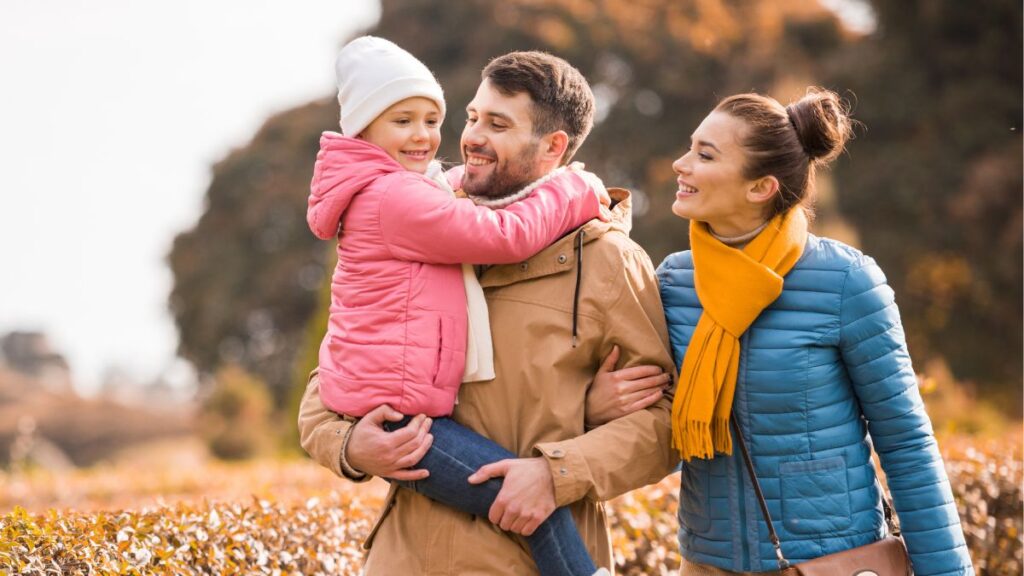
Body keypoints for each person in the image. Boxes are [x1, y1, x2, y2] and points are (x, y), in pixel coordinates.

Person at [299, 49, 678, 575]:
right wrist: (350, 446)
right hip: (407, 561)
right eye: (472, 117)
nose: (470, 136)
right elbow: (336, 378)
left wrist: (559, 471)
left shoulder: (610, 261)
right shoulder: (426, 228)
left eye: (497, 124)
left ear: (553, 147)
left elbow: (665, 422)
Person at [657, 88, 974, 575]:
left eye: (704, 155)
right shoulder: (674, 283)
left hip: (831, 560)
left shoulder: (846, 280)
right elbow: (658, 426)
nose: (681, 164)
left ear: (760, 187)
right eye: (690, 147)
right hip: (707, 562)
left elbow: (906, 443)